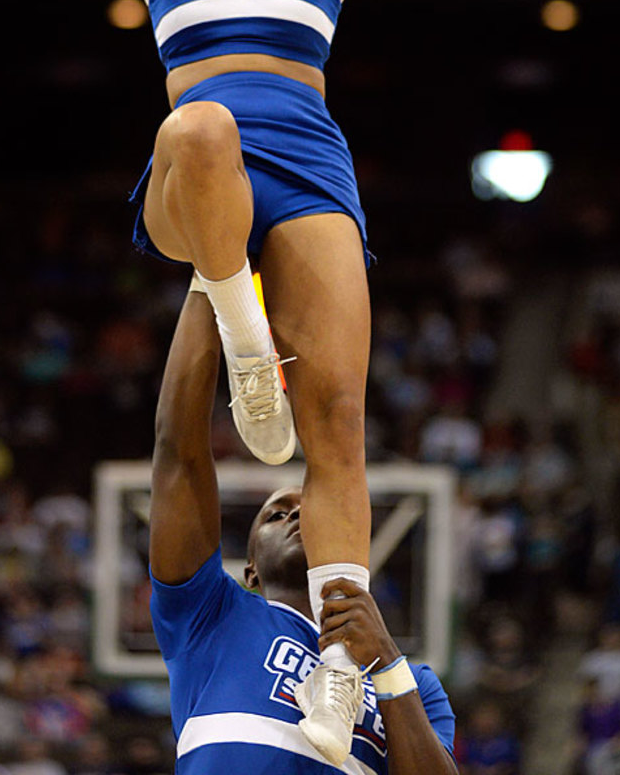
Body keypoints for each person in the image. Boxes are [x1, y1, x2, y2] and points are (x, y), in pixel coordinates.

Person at [0, 0, 543, 762]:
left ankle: (336, 671)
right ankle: (241, 331)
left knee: (339, 422)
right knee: (200, 126)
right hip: (199, 184)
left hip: (308, 165)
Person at [149, 283, 459, 772]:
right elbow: (178, 454)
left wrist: (386, 664)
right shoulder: (210, 615)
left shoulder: (415, 684)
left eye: (311, 507)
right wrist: (210, 279)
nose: (297, 514)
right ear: (250, 569)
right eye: (276, 514)